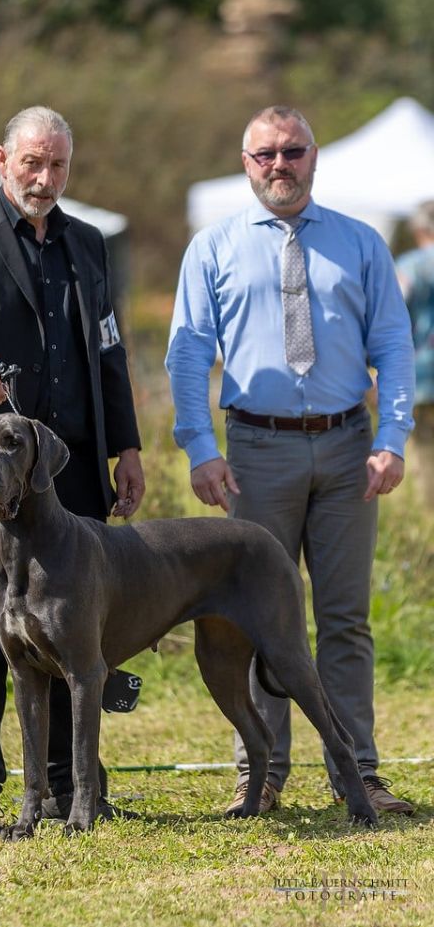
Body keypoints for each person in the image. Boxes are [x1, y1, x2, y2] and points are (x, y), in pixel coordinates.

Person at [166, 105, 415, 816]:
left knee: (345, 619)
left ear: (314, 156)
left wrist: (392, 438)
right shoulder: (212, 247)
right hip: (254, 451)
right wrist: (200, 448)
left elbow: (394, 344)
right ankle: (261, 774)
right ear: (245, 163)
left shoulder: (361, 243)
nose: (280, 165)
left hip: (347, 450)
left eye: (293, 151)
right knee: (254, 617)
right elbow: (188, 350)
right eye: (265, 154)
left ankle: (359, 774)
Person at [0, 106, 145, 836]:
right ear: (2, 159)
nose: (44, 178)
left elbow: (108, 348)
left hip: (69, 468)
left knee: (78, 634)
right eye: (32, 163)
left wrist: (127, 446)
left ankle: (74, 789)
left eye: (57, 165)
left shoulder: (88, 243)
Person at [395, 201, 434, 507]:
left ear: (419, 229)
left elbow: (393, 318)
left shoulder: (410, 266)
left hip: (423, 376)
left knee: (428, 458)